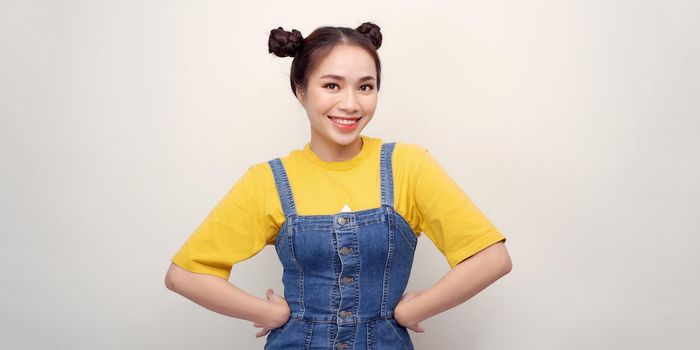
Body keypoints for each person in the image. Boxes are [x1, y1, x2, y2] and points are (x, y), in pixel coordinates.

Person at [164, 22, 512, 350]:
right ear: (301, 91)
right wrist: (268, 313)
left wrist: (413, 310)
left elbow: (491, 257)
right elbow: (185, 274)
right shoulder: (268, 179)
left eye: (365, 86)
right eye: (332, 85)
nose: (350, 103)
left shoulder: (409, 166)